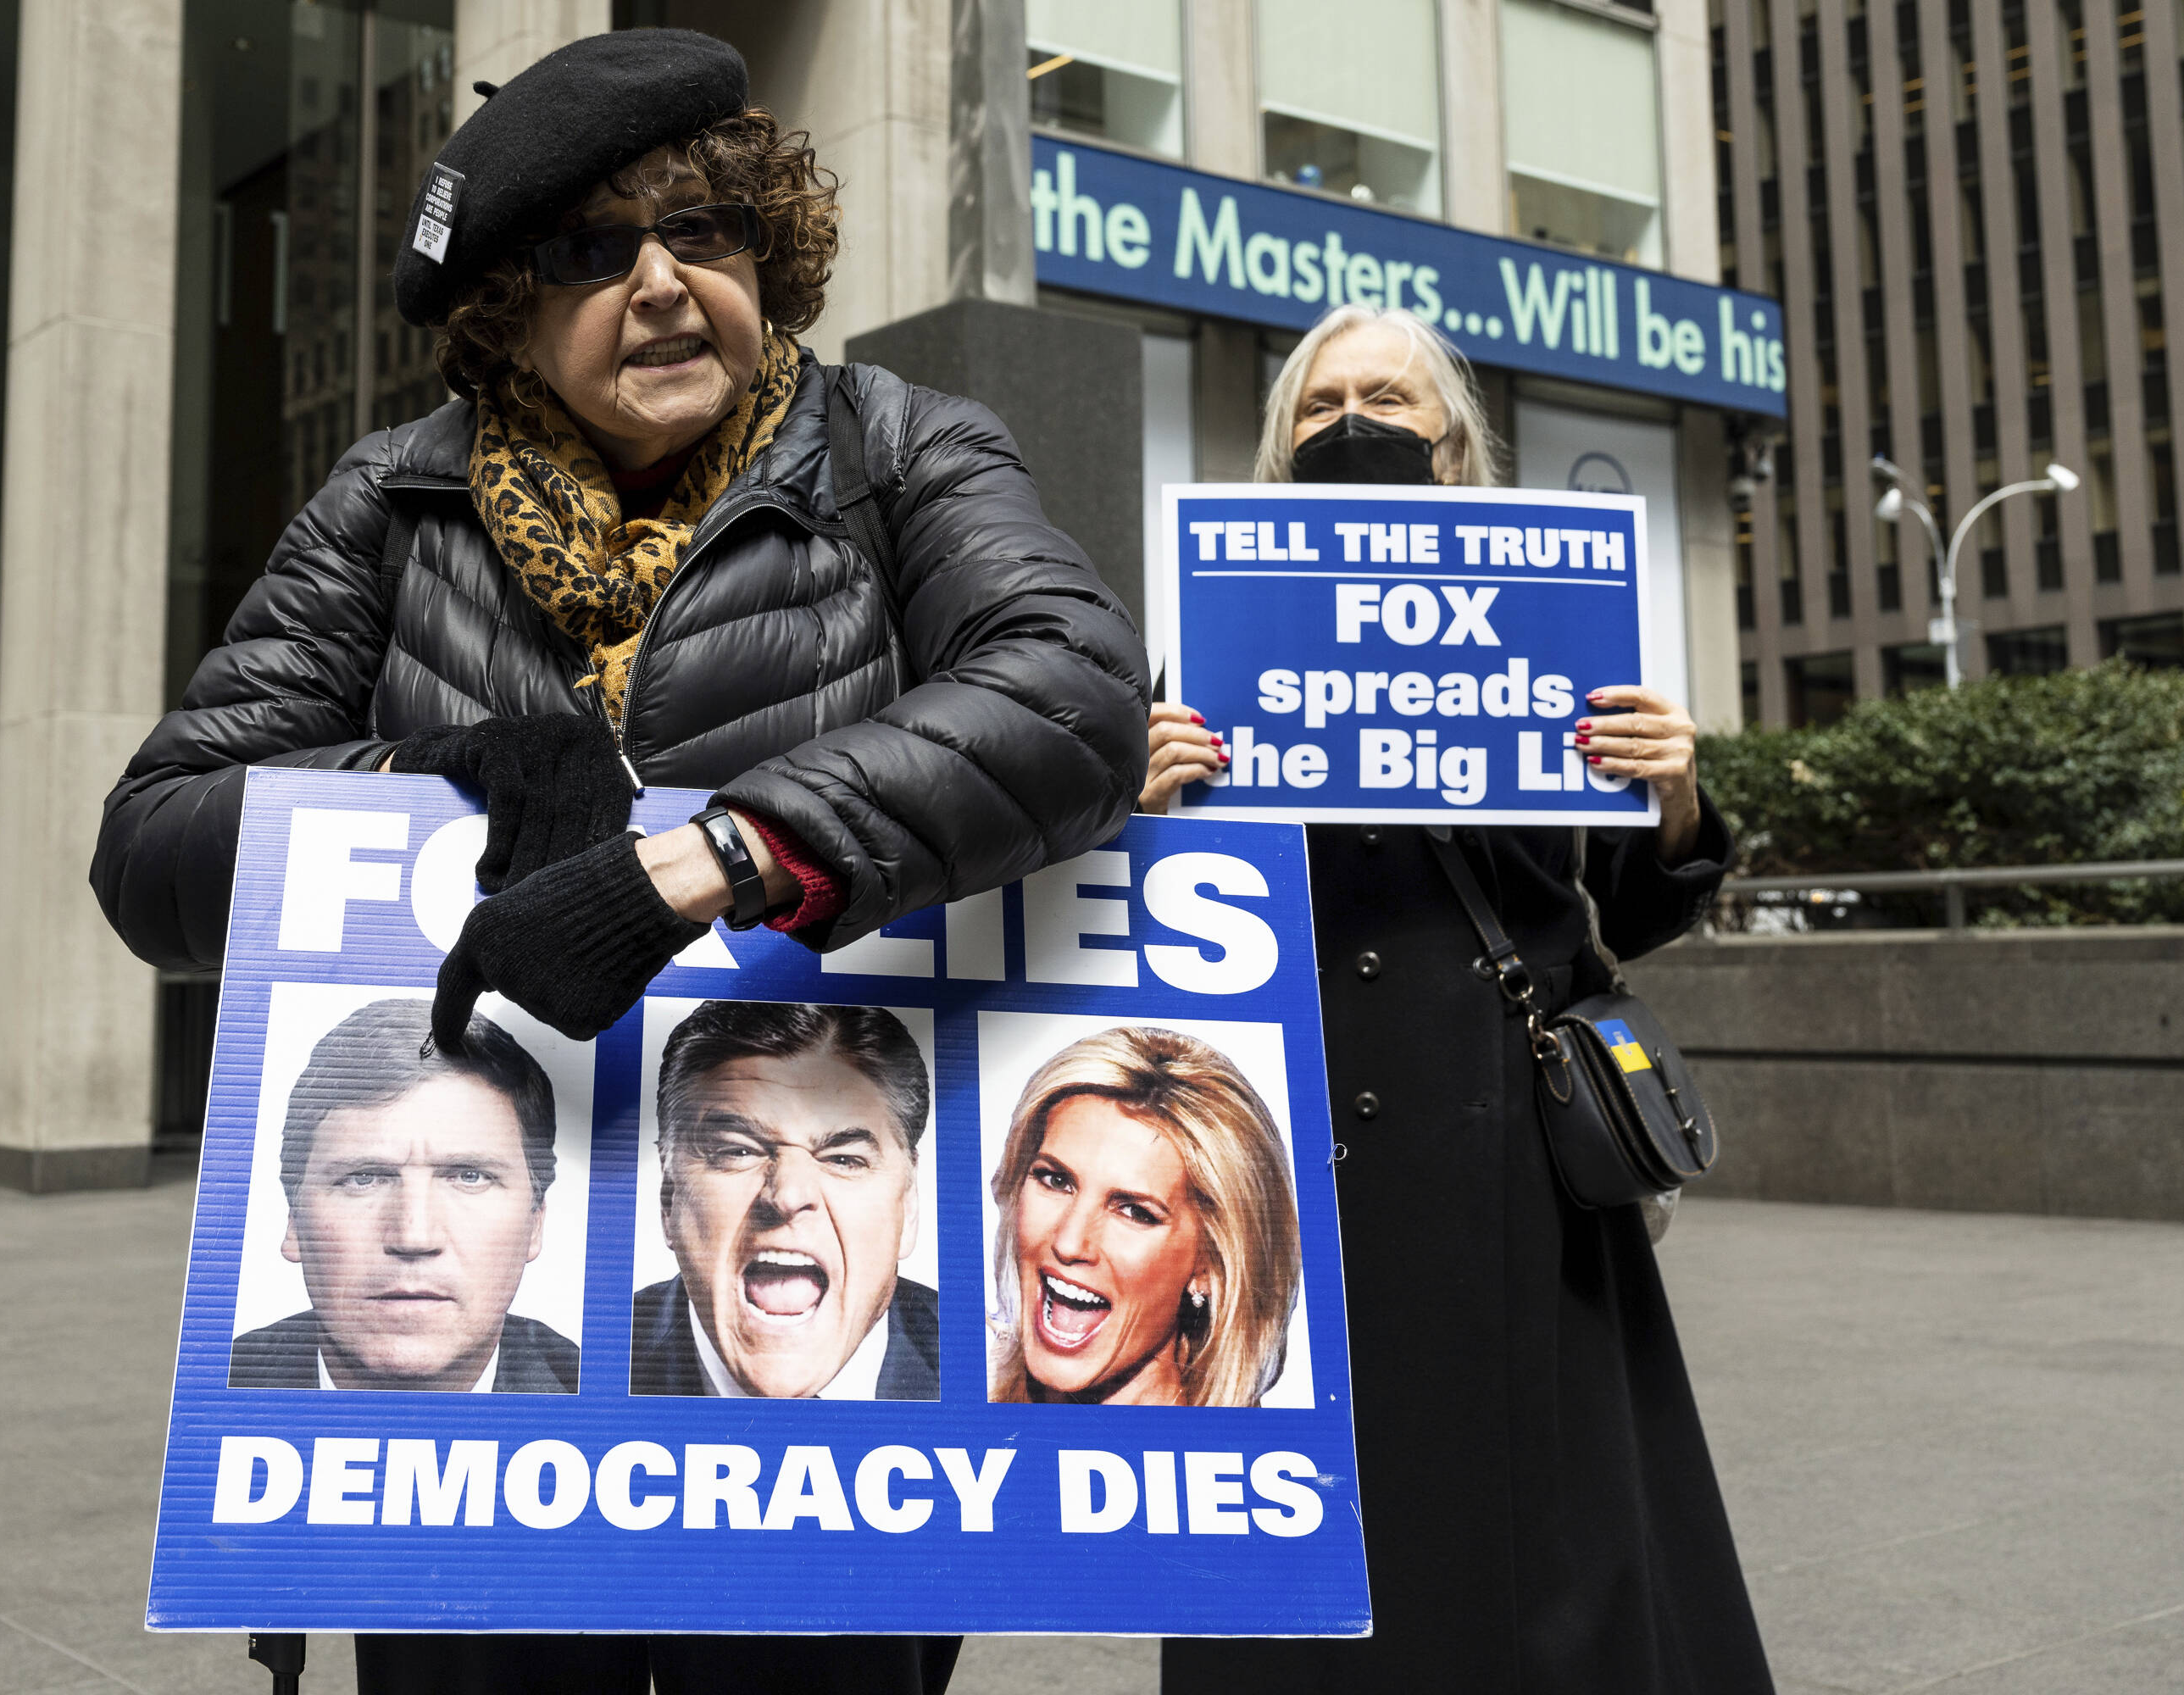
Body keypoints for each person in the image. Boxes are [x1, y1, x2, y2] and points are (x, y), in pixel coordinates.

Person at [92, 29, 1140, 1695]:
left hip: (798, 1416)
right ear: (508, 304)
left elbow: (1071, 694)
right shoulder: (389, 503)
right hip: (483, 1416)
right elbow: (152, 844)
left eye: (704, 235)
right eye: (595, 253)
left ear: (766, 256)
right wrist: (428, 773)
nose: (663, 286)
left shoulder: (899, 450)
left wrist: (722, 853)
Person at [1149, 303, 1773, 1692]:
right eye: (1319, 406)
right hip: (1283, 1149)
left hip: (1501, 1144)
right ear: (1276, 445)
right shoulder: (1212, 634)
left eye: (1387, 399)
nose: (1352, 423)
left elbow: (1646, 898)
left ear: (1453, 449)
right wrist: (1141, 805)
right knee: (1302, 1519)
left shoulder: (1552, 621)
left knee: (1539, 1526)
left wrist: (1673, 791)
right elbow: (1141, 919)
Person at [229, 998, 578, 1394]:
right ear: (293, 1221)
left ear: (535, 1224)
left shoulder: (605, 1400)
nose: (414, 1237)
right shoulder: (212, 1389)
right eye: (363, 1179)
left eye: (469, 1176)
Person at [632, 1000, 937, 1400]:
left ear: (909, 1206)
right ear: (669, 1197)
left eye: (844, 1159)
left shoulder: (996, 1371)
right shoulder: (583, 1363)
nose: (788, 1196)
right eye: (737, 1151)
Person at [985, 1025, 1300, 1408]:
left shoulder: (1242, 1462)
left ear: (1210, 1266)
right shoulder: (952, 1419)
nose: (1068, 1243)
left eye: (1135, 1212)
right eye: (1056, 1180)